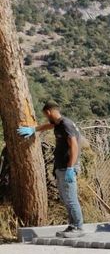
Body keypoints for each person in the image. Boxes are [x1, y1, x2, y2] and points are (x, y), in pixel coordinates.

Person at [17, 101, 85, 237]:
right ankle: (72, 226)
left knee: (71, 199)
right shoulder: (59, 124)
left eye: (45, 115)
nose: (46, 118)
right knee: (66, 198)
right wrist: (33, 129)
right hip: (62, 167)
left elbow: (74, 146)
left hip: (67, 168)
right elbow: (50, 125)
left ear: (48, 112)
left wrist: (70, 168)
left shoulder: (65, 124)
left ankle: (78, 227)